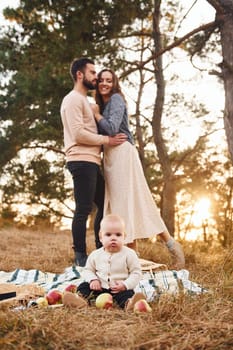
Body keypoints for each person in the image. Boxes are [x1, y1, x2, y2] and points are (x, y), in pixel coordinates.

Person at [91, 68, 185, 269]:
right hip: (110, 158)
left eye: (109, 80)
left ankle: (143, 255)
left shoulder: (115, 99)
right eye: (101, 80)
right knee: (126, 205)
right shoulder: (102, 104)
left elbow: (112, 129)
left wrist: (97, 116)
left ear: (114, 83)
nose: (105, 84)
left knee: (125, 205)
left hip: (123, 154)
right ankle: (135, 256)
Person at [60, 58, 127, 267]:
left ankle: (100, 249)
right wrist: (107, 140)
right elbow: (79, 133)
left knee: (103, 204)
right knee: (83, 208)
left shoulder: (84, 102)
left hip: (91, 160)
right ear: (80, 75)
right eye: (92, 72)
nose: (96, 77)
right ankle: (80, 256)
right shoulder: (72, 100)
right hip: (80, 160)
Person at [63, 214, 148, 311]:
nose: (113, 238)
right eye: (108, 234)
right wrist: (93, 280)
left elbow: (136, 273)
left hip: (119, 289)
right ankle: (80, 301)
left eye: (118, 235)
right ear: (100, 237)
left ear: (124, 237)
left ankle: (131, 304)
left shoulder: (129, 254)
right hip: (99, 288)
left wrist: (125, 285)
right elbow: (87, 270)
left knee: (127, 294)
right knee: (84, 287)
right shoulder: (95, 254)